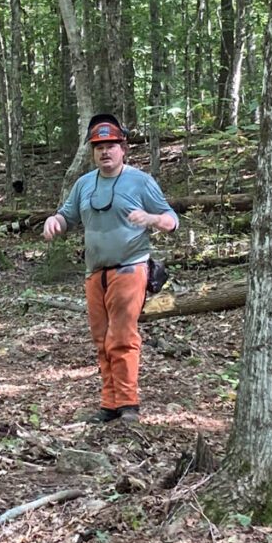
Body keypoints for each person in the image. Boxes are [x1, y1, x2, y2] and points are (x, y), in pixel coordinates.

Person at [44, 114, 178, 423]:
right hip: (95, 273)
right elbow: (67, 216)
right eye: (99, 147)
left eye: (111, 146)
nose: (105, 152)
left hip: (130, 269)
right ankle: (109, 403)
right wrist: (55, 221)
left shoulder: (140, 181)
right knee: (101, 338)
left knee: (121, 336)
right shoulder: (83, 184)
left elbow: (171, 220)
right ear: (92, 152)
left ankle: (128, 404)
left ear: (123, 148)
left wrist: (152, 219)